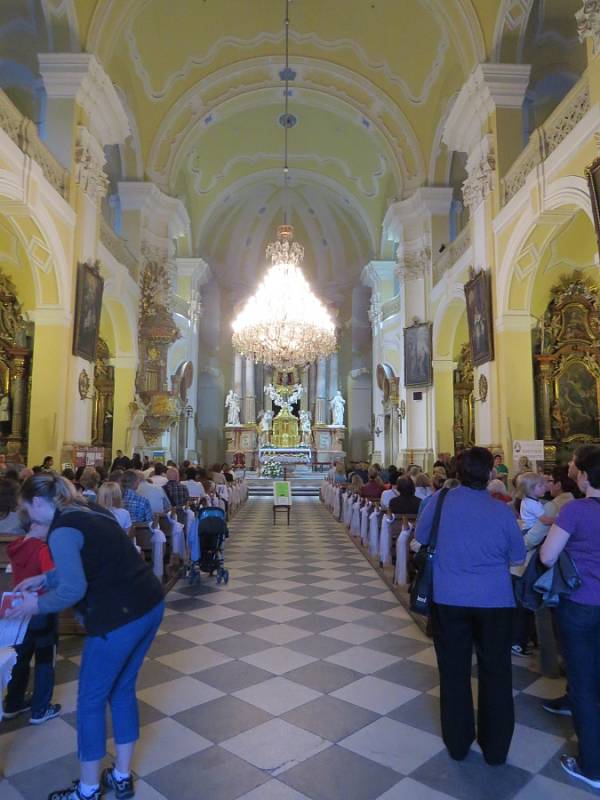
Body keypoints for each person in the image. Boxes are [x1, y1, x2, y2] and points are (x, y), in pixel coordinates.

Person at [8, 474, 164, 800]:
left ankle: (88, 789)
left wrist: (36, 603)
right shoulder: (90, 510)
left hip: (118, 616)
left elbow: (73, 588)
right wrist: (44, 579)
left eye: (27, 510)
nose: (28, 519)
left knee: (90, 702)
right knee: (121, 689)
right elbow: (92, 560)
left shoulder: (61, 530)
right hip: (148, 602)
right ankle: (121, 777)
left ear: (39, 502)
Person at [416, 447, 525, 765]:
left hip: (449, 599)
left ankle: (459, 742)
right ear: (491, 473)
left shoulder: (439, 502)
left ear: (457, 473)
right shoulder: (502, 511)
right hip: (495, 601)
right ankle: (495, 749)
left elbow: (422, 537)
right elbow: (518, 556)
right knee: (497, 673)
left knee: (453, 671)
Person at [540, 446, 600, 790]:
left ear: (586, 476)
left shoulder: (576, 510)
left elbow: (548, 557)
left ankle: (591, 766)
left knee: (583, 682)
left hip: (579, 604)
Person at [3, 518, 60, 724]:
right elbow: (51, 578)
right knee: (45, 659)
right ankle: (40, 708)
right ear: (35, 525)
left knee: (21, 657)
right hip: (41, 607)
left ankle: (13, 703)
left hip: (20, 608)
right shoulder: (42, 549)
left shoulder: (17, 545)